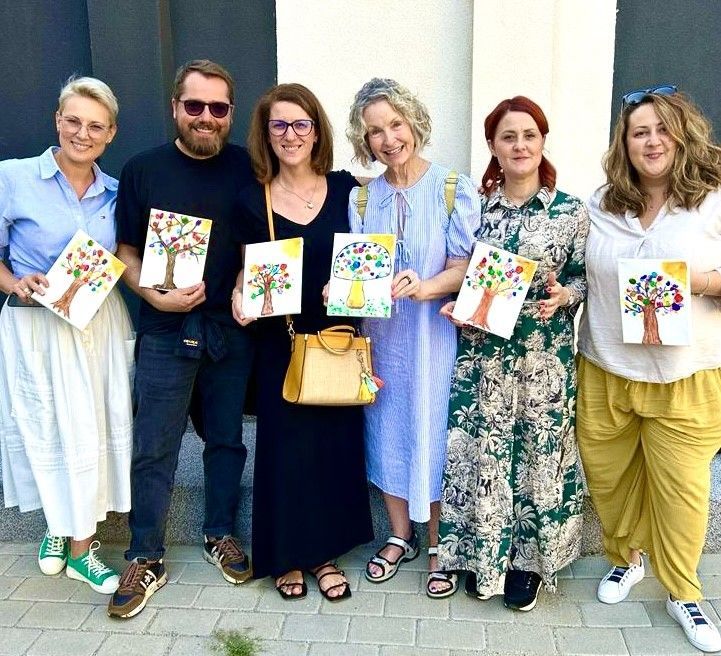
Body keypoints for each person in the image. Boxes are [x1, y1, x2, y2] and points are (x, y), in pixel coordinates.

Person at [107, 60, 256, 619]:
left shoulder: (248, 168)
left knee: (226, 439)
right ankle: (146, 554)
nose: (206, 118)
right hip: (165, 328)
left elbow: (259, 246)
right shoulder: (142, 170)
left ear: (230, 115)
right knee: (155, 445)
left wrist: (248, 288)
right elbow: (124, 253)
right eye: (195, 106)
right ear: (175, 107)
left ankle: (220, 533)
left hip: (229, 329)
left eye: (218, 109)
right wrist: (153, 295)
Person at [576, 86, 721, 652]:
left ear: (682, 135)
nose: (652, 141)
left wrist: (698, 282)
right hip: (606, 365)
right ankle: (625, 558)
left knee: (683, 492)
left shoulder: (711, 201)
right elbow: (581, 271)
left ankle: (684, 592)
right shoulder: (601, 204)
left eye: (662, 129)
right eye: (640, 131)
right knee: (609, 479)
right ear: (625, 143)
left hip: (687, 375)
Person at [436, 96, 588, 612]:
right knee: (485, 456)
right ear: (493, 147)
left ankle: (527, 564)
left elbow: (588, 278)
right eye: (508, 136)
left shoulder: (571, 211)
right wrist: (456, 306)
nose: (519, 145)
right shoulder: (477, 210)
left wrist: (569, 295)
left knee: (536, 460)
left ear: (542, 141)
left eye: (529, 135)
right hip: (483, 358)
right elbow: (462, 272)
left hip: (543, 361)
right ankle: (483, 556)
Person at [232, 83, 373, 601]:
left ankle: (324, 554)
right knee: (285, 450)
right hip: (281, 341)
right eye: (279, 125)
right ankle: (286, 556)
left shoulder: (349, 190)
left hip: (338, 338)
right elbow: (243, 270)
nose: (290, 135)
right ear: (265, 134)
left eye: (301, 124)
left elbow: (376, 252)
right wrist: (240, 295)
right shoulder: (253, 198)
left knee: (332, 449)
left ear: (317, 131)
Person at [346, 77, 480, 598]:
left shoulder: (451, 187)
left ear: (414, 123)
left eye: (395, 124)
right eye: (375, 131)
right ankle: (399, 535)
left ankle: (440, 544)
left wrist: (425, 287)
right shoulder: (361, 198)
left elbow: (463, 265)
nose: (388, 139)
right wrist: (347, 287)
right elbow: (352, 269)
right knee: (385, 433)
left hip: (433, 339)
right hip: (380, 339)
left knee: (433, 432)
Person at [0, 77, 131, 594]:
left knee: (91, 427)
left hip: (96, 326)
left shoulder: (118, 192)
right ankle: (59, 525)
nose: (83, 133)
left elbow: (130, 255)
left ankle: (82, 547)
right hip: (35, 325)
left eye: (95, 126)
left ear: (111, 133)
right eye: (73, 120)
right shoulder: (12, 178)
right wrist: (16, 281)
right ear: (58, 120)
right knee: (46, 426)